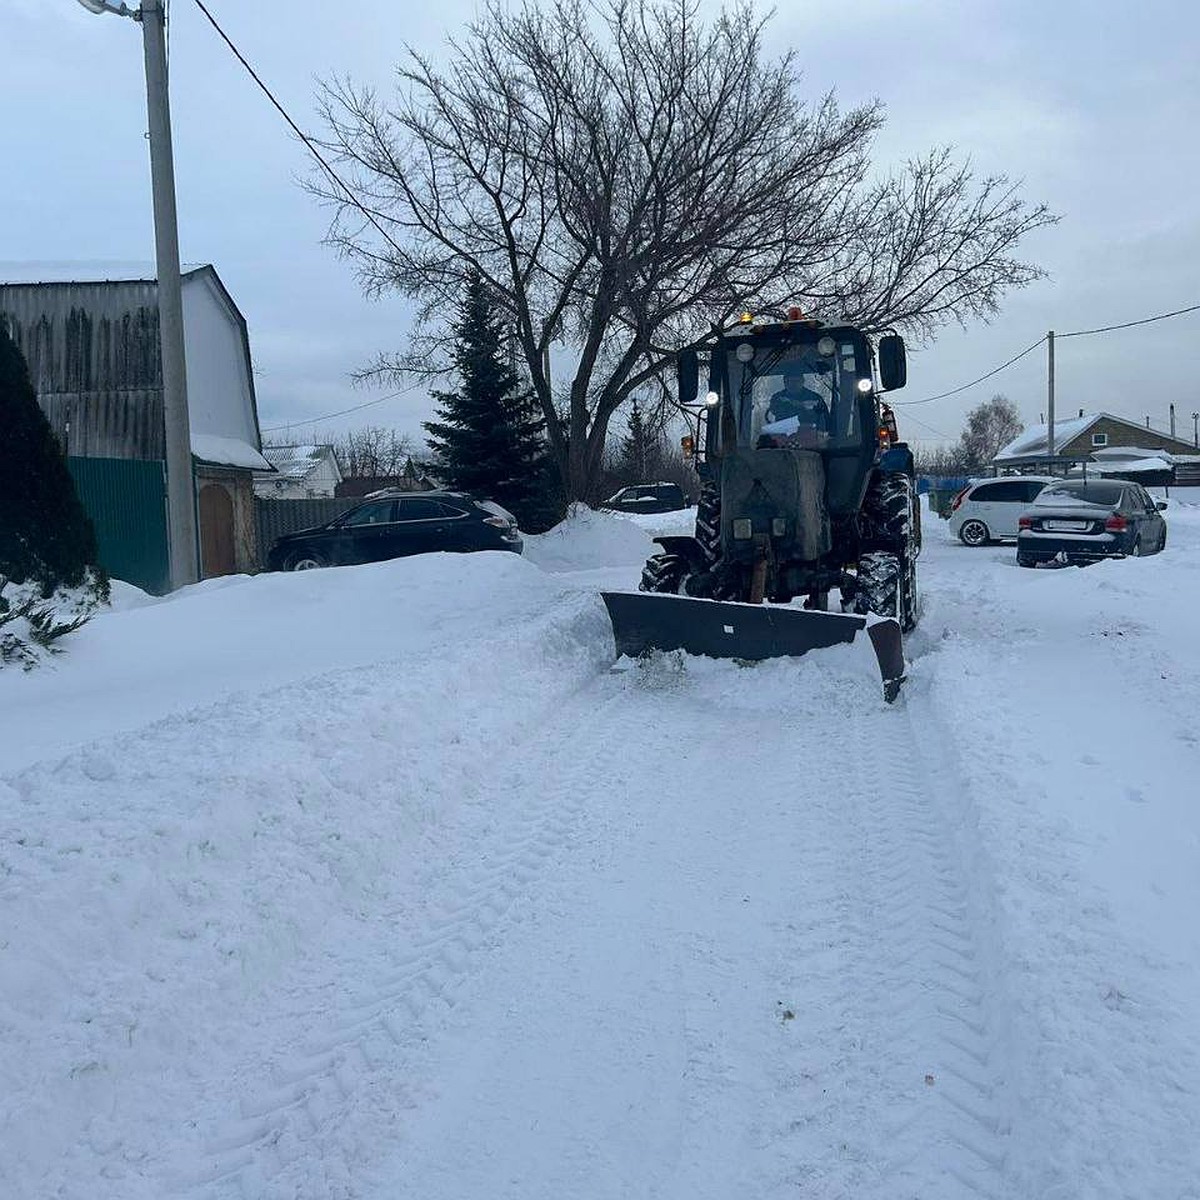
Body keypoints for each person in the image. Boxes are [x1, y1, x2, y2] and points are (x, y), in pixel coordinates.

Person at [764, 362, 831, 431]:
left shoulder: (815, 398)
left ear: (802, 381)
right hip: (783, 436)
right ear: (785, 382)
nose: (793, 384)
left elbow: (826, 422)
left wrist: (801, 406)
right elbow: (774, 413)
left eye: (796, 381)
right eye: (790, 381)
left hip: (810, 437)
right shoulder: (777, 398)